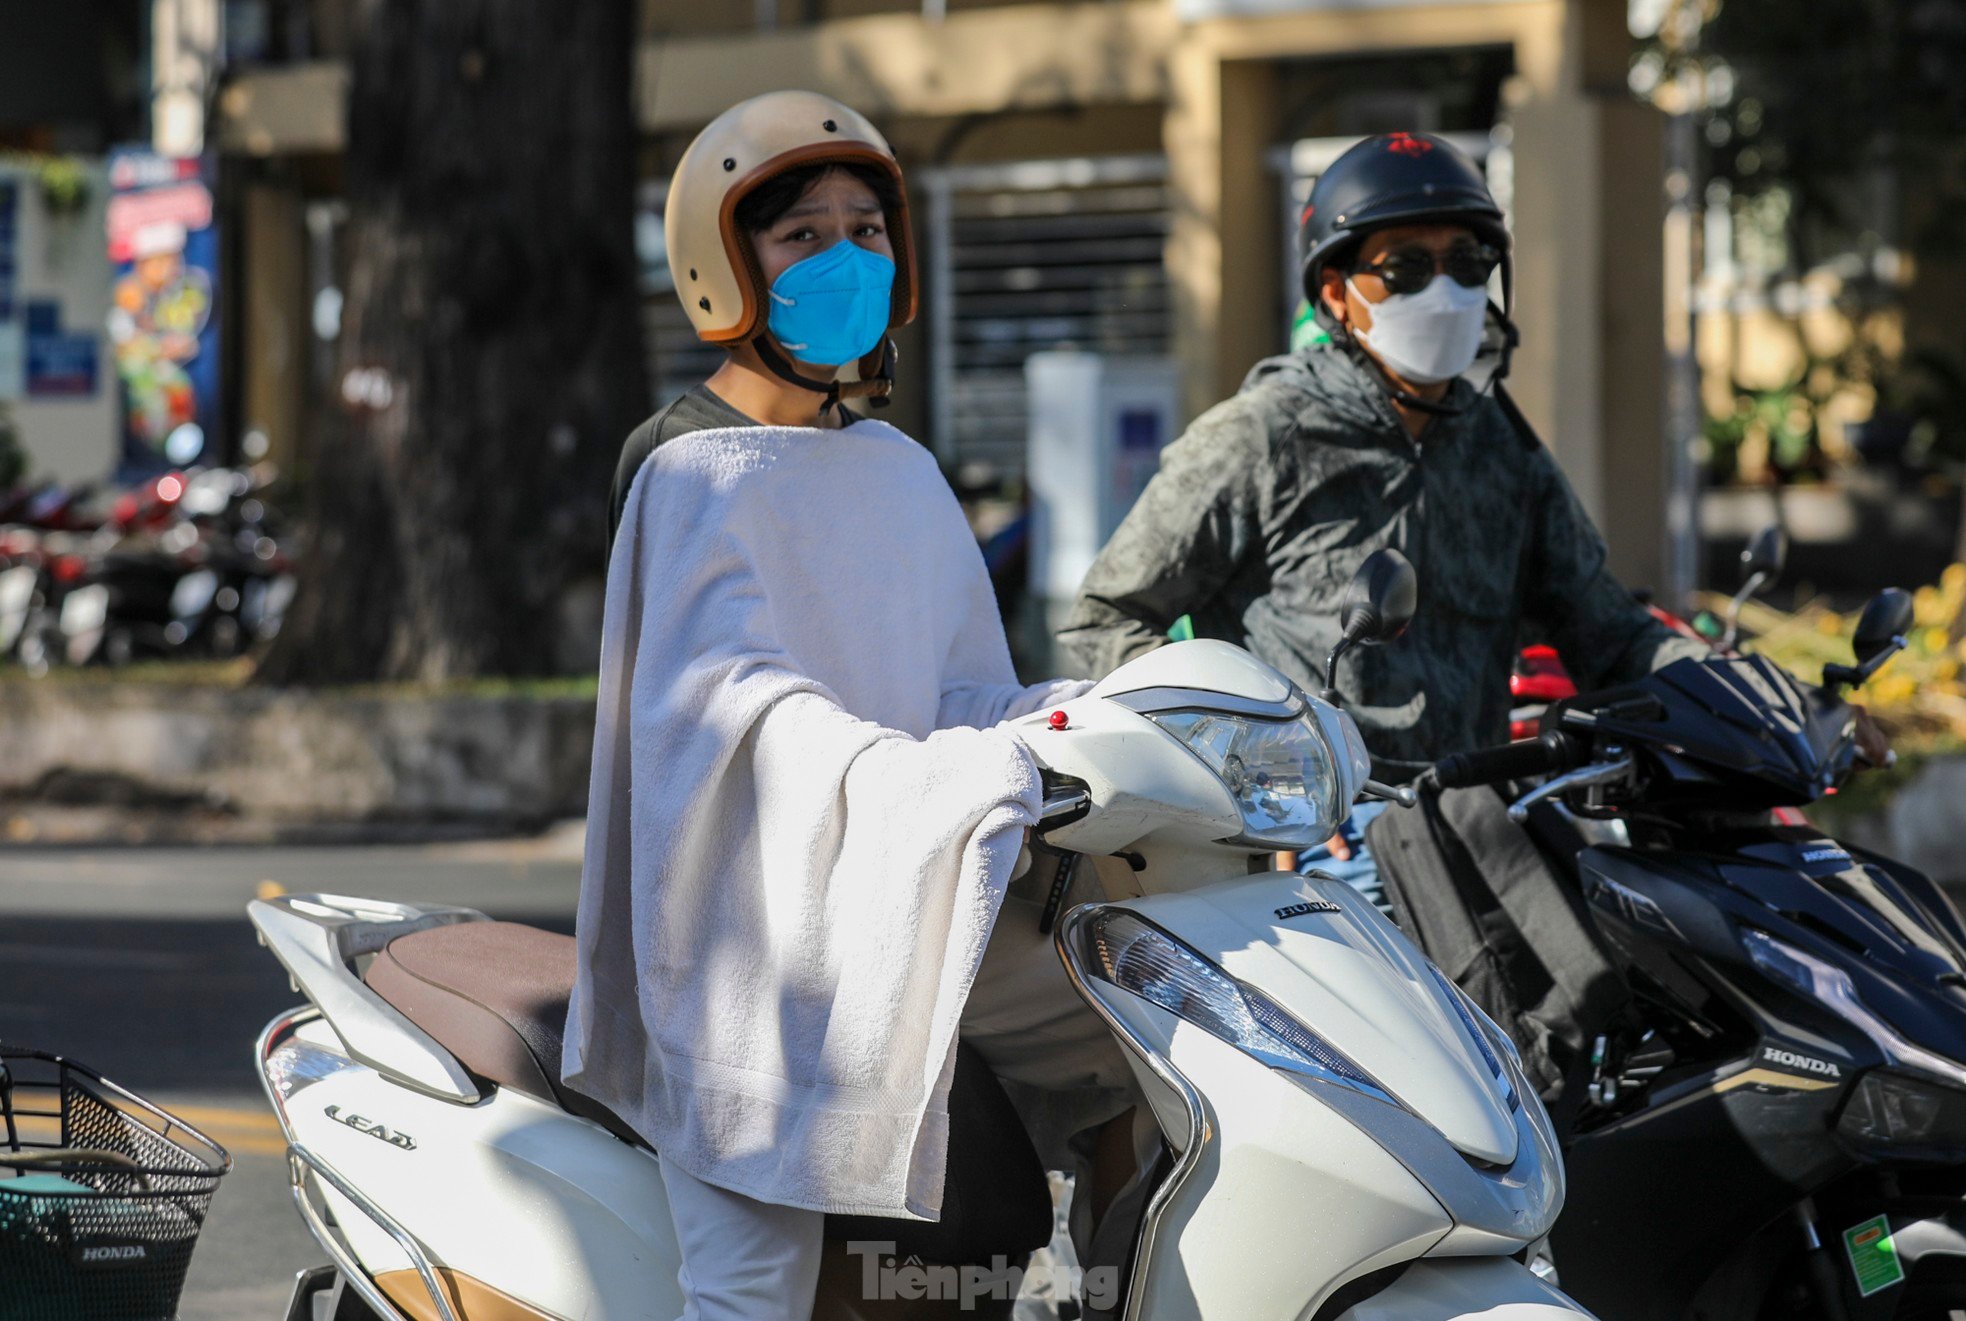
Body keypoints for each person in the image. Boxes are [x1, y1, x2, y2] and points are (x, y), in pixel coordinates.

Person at [563, 91, 1139, 1320]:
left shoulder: (900, 468)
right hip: (747, 931)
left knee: (1150, 1046)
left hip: (908, 883)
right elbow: (736, 715)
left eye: (866, 230)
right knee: (752, 1278)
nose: (844, 259)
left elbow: (961, 690)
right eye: (801, 235)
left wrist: (1101, 717)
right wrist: (920, 770)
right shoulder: (683, 468)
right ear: (725, 267)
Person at [1057, 132, 1886, 893]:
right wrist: (1251, 781)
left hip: (1478, 822)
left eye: (1468, 260)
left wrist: (1783, 709)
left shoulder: (1502, 447)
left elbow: (1615, 632)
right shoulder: (1263, 436)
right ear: (1338, 294)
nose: (1446, 288)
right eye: (1407, 268)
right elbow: (1104, 622)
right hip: (1315, 848)